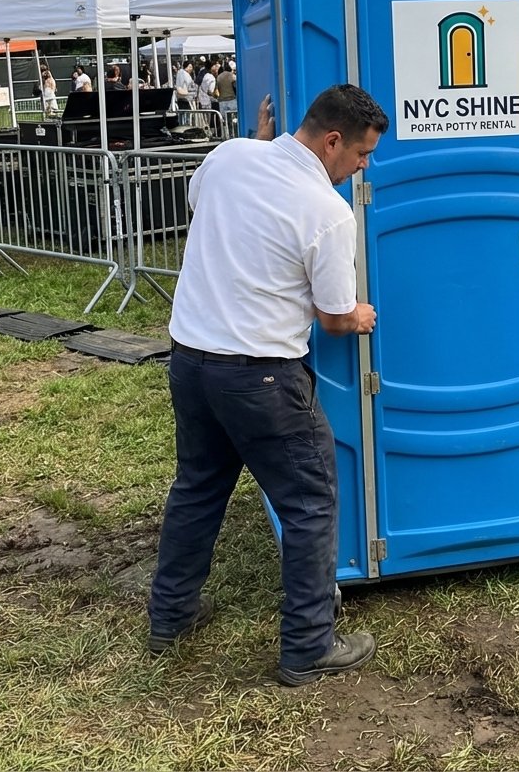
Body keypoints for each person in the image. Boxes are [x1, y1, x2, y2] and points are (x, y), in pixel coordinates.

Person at [147, 83, 388, 687]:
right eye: (361, 155)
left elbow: (220, 209)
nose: (363, 168)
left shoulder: (229, 157)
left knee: (199, 487)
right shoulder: (329, 213)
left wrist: (255, 142)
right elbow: (334, 319)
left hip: (191, 362)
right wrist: (361, 314)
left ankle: (170, 616)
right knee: (309, 503)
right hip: (261, 377)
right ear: (333, 141)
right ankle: (308, 645)